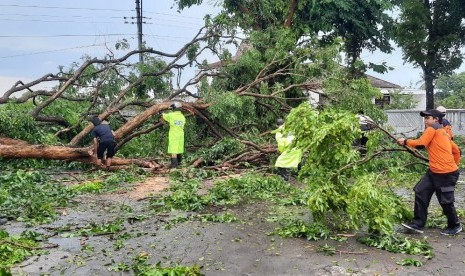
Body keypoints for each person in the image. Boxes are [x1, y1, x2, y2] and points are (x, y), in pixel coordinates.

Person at [397, 109, 462, 235]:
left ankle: (455, 225)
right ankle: (417, 225)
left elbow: (421, 144)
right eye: (425, 118)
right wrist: (454, 164)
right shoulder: (443, 132)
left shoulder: (432, 129)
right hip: (434, 171)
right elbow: (457, 151)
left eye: (428, 118)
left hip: (445, 174)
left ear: (435, 120)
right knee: (421, 191)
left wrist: (405, 141)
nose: (425, 120)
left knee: (446, 201)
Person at [161, 102, 186, 168]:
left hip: (174, 135)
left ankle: (174, 166)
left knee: (173, 150)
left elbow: (163, 115)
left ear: (174, 108)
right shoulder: (182, 117)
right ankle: (179, 164)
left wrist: (161, 112)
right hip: (181, 135)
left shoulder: (171, 115)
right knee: (179, 149)